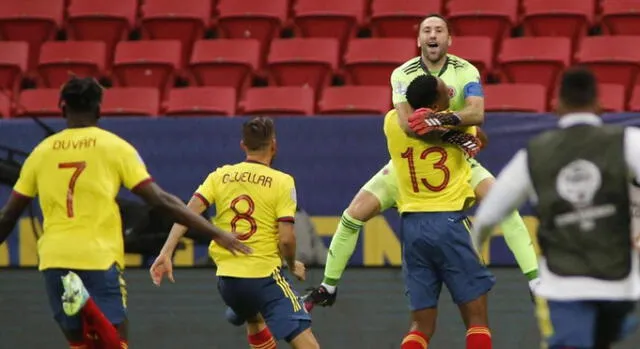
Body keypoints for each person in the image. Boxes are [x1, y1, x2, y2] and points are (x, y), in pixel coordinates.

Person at [305, 13, 538, 311]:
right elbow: (407, 125)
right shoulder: (402, 74)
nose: (433, 35)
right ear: (418, 40)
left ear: (449, 39)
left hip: (456, 162)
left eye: (439, 30)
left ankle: (534, 281)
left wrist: (441, 123)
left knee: (504, 206)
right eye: (427, 30)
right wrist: (455, 134)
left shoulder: (465, 70)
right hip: (408, 163)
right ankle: (328, 286)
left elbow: (477, 113)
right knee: (352, 216)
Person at [0, 77, 250, 349]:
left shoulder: (40, 154)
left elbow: (8, 217)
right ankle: (87, 306)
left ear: (63, 109)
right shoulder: (114, 147)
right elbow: (161, 201)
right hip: (98, 257)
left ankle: (81, 303)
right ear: (98, 109)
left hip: (55, 258)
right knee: (116, 342)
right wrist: (216, 232)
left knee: (80, 344)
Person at [472, 67, 640, 349]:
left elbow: (489, 213)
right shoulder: (627, 141)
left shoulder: (534, 153)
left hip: (564, 282)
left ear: (556, 105)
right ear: (599, 105)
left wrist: (474, 244)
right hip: (617, 282)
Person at [150, 117, 320, 349]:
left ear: (243, 146)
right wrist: (291, 265)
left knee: (254, 317)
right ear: (274, 145)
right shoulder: (282, 182)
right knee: (306, 340)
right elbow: (287, 239)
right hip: (264, 278)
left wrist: (166, 252)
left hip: (228, 282)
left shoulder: (219, 176)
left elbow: (186, 214)